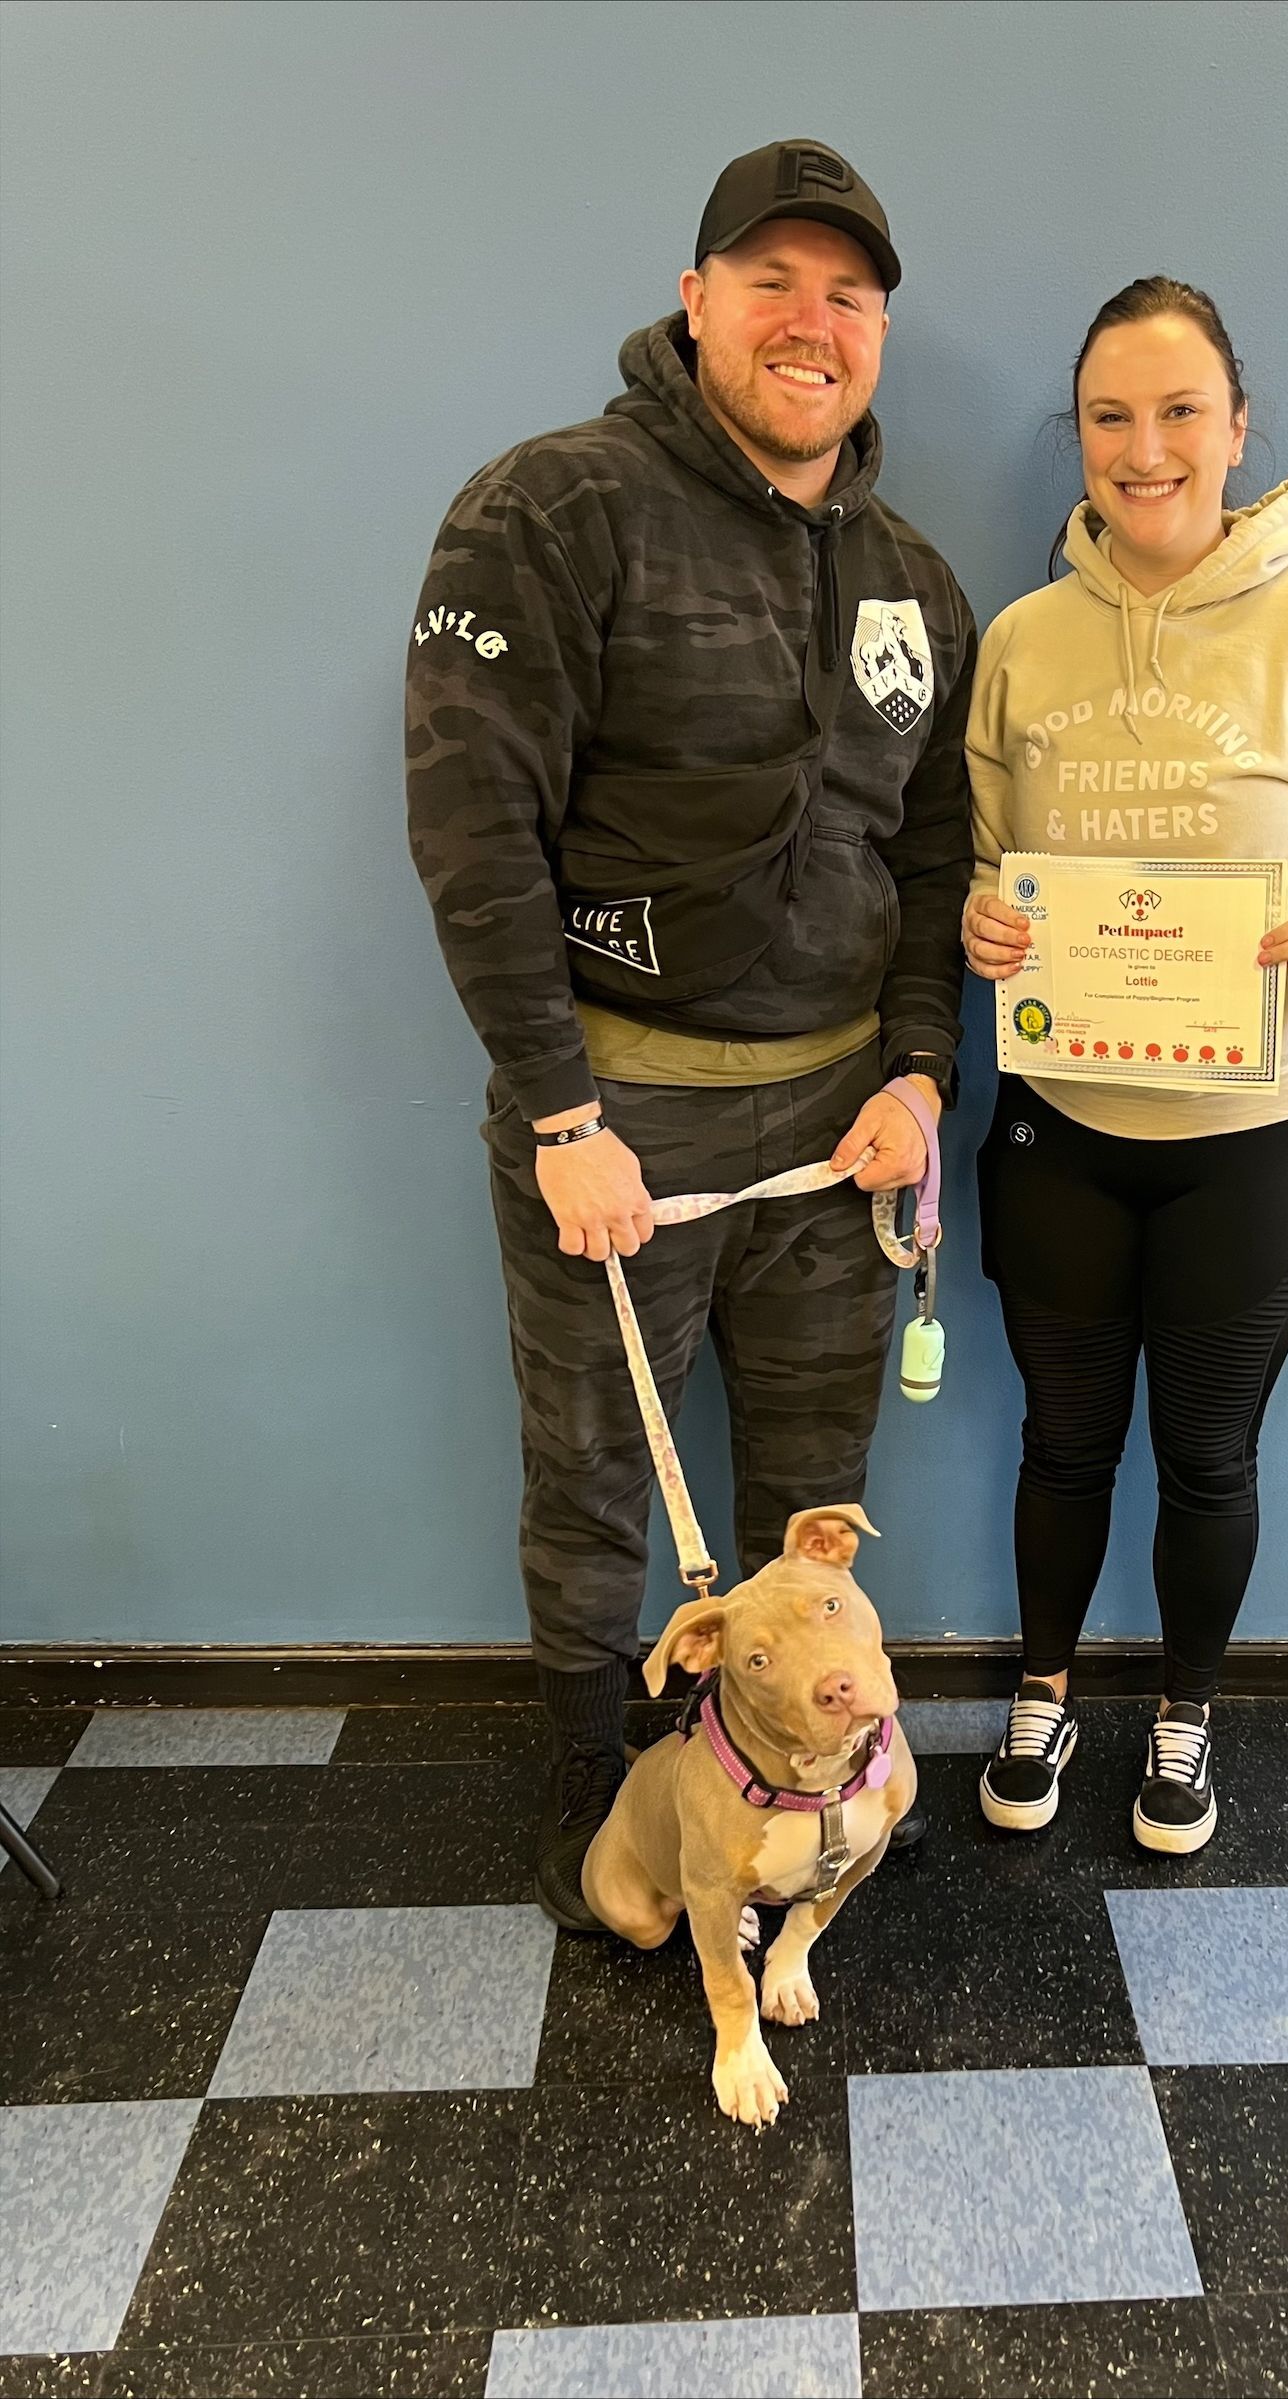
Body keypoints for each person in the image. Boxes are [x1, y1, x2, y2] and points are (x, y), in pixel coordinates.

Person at [406, 140, 972, 1927]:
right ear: (695, 298)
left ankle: (798, 1817)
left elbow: (934, 850)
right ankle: (601, 1823)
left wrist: (914, 1072)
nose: (814, 323)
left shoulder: (910, 578)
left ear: (880, 330)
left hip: (832, 1136)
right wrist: (560, 1111)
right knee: (588, 1492)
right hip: (618, 1128)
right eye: (774, 283)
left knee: (815, 1509)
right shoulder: (552, 507)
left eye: (850, 295)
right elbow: (473, 823)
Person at [963, 278, 1288, 1855]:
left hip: (1261, 1132)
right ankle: (1038, 1693)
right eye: (1110, 416)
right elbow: (980, 864)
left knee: (1208, 1450)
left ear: (1237, 431)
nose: (1144, 447)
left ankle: (1182, 1714)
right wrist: (983, 924)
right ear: (1077, 438)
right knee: (1061, 1439)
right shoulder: (1023, 643)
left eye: (1179, 412)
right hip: (1064, 1123)